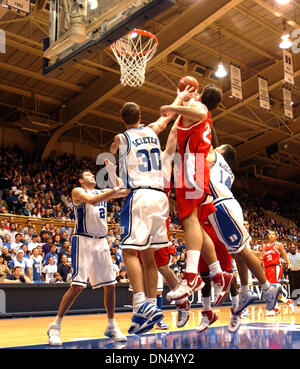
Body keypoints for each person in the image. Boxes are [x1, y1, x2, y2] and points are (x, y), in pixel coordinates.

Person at [109, 95, 185, 335]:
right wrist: (181, 97)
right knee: (150, 256)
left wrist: (116, 159)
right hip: (160, 199)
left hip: (140, 195)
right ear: (141, 118)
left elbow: (112, 150)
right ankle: (151, 307)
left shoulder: (121, 137)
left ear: (123, 120)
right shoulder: (153, 130)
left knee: (129, 251)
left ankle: (141, 300)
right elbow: (166, 118)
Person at [161, 82, 233, 304]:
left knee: (189, 220)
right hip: (191, 166)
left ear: (201, 96)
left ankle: (191, 276)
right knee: (196, 225)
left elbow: (179, 112)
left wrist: (176, 105)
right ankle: (217, 272)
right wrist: (181, 100)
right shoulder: (197, 113)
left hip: (191, 167)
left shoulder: (200, 110)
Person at [200, 145, 283, 327]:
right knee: (238, 252)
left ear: (221, 151)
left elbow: (205, 146)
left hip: (221, 206)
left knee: (243, 252)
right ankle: (245, 291)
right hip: (228, 204)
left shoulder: (214, 156)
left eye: (217, 146)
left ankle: (268, 288)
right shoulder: (228, 171)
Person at [47, 169, 128, 345]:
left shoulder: (102, 192)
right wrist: (114, 188)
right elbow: (93, 200)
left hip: (102, 241)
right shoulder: (78, 191)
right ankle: (55, 326)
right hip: (83, 240)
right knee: (77, 286)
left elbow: (126, 190)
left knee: (110, 285)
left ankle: (111, 325)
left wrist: (113, 174)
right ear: (81, 181)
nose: (92, 176)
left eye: (93, 174)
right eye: (88, 175)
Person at [259, 230, 294, 315]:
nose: (270, 235)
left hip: (275, 267)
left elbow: (285, 255)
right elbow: (261, 258)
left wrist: (289, 264)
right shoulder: (265, 246)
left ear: (276, 236)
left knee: (272, 288)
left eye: (272, 234)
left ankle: (273, 308)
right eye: (269, 234)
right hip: (266, 269)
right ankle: (285, 302)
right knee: (270, 289)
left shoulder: (278, 245)